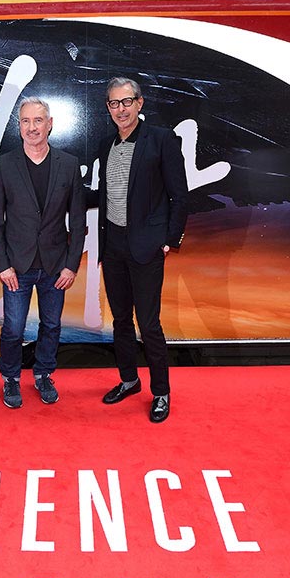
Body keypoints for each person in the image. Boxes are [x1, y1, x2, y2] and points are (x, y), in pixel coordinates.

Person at [96, 77, 192, 423]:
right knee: (120, 319)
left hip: (147, 247)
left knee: (149, 323)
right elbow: (105, 194)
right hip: (113, 245)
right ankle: (129, 380)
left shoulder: (162, 140)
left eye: (126, 102)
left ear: (139, 103)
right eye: (114, 103)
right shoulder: (106, 144)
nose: (120, 109)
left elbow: (179, 195)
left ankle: (161, 392)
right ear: (108, 108)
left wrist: (169, 240)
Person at [0, 97, 86, 408]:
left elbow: (78, 220)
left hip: (56, 266)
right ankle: (11, 377)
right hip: (16, 266)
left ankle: (43, 374)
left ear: (50, 124)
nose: (32, 127)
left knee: (52, 325)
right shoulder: (4, 165)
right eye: (26, 121)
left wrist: (71, 265)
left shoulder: (68, 164)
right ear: (19, 126)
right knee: (13, 328)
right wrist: (2, 265)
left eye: (38, 120)